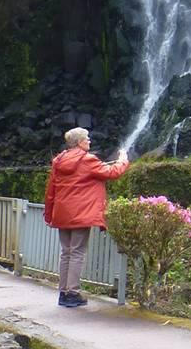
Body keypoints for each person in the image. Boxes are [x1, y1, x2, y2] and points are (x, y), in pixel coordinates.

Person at [43, 128, 129, 307]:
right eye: (87, 138)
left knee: (66, 253)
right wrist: (123, 159)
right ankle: (72, 293)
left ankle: (63, 293)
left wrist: (49, 213)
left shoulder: (59, 160)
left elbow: (51, 189)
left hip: (62, 213)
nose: (89, 141)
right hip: (81, 213)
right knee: (77, 253)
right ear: (80, 142)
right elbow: (112, 173)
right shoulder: (87, 159)